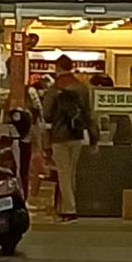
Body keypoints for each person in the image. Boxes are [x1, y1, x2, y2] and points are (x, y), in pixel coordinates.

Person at [41, 57, 95, 221]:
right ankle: (65, 206)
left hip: (59, 135)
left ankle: (69, 209)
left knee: (63, 173)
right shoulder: (82, 88)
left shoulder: (55, 88)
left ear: (58, 67)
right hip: (77, 135)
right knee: (71, 172)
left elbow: (46, 113)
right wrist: (93, 137)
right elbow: (88, 113)